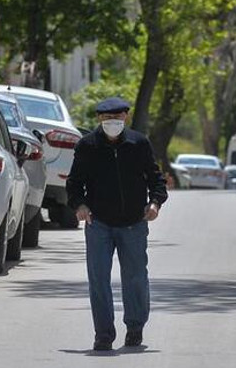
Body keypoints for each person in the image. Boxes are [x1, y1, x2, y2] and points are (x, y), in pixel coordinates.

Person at [66, 97, 169, 351]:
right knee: (98, 279)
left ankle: (135, 328)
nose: (112, 122)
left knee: (135, 278)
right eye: (107, 118)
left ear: (126, 117)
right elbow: (74, 183)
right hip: (98, 223)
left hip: (133, 223)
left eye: (118, 117)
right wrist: (79, 206)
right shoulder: (87, 146)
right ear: (99, 119)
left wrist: (155, 203)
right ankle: (103, 334)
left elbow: (156, 179)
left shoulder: (139, 143)